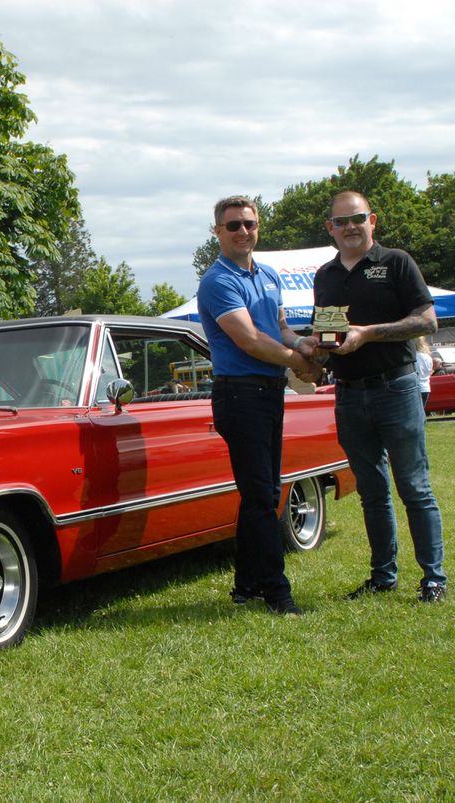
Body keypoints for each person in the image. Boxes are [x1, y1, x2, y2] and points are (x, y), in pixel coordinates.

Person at [313, 191, 446, 603]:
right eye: (342, 221)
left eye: (358, 218)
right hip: (349, 394)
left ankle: (433, 579)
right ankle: (383, 576)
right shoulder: (326, 276)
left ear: (373, 220)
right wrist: (311, 353)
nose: (350, 226)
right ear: (330, 228)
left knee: (414, 487)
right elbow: (330, 335)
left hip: (397, 387)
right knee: (371, 491)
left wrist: (367, 333)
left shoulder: (396, 262)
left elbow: (427, 320)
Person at [196, 195, 321, 616]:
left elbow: (279, 327)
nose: (242, 231)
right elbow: (248, 339)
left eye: (249, 224)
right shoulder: (217, 281)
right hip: (239, 395)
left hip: (269, 393)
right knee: (261, 495)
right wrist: (298, 362)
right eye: (233, 225)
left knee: (262, 494)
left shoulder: (268, 274)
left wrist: (303, 343)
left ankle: (246, 584)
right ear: (218, 231)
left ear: (258, 226)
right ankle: (277, 592)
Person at [414, 336, 434, 407]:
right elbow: (430, 371)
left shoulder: (413, 357)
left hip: (416, 387)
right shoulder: (428, 357)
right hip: (426, 387)